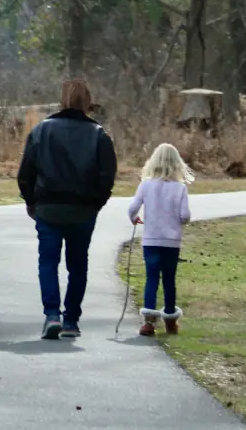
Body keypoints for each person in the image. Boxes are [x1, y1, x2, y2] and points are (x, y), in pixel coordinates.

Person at [18, 79, 117, 340]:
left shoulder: (41, 131)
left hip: (48, 208)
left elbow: (25, 173)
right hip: (83, 209)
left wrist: (31, 202)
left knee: (48, 262)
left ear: (62, 99)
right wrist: (96, 202)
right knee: (78, 264)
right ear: (87, 102)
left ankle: (52, 314)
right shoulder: (99, 134)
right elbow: (107, 176)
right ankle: (71, 319)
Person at [127, 143, 193, 336]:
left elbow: (132, 208)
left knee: (152, 277)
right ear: (177, 164)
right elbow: (185, 215)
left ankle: (148, 322)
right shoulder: (180, 188)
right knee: (169, 280)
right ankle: (170, 321)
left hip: (151, 240)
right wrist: (178, 221)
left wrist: (134, 218)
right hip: (171, 242)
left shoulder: (146, 184)